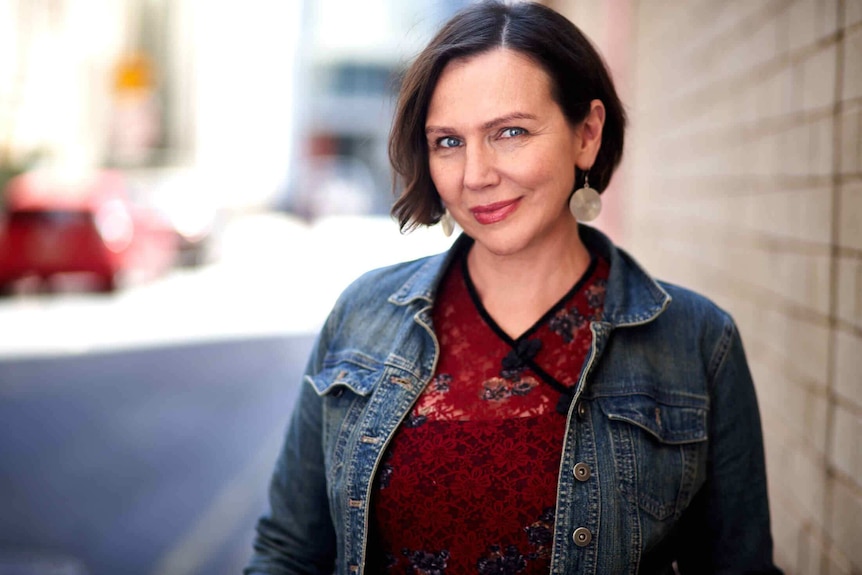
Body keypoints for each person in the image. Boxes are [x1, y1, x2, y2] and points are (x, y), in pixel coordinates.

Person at [245, 2, 782, 573]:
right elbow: (290, 552)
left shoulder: (696, 342)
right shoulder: (363, 316)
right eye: (448, 142)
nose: (476, 174)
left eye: (510, 132)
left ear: (587, 135)